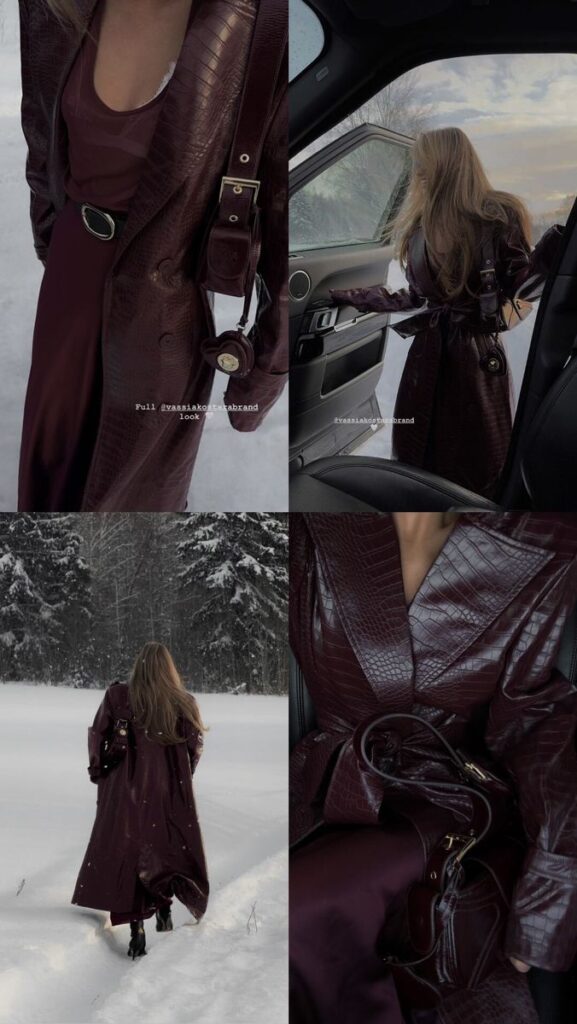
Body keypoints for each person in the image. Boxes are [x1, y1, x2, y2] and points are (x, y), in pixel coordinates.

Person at [289, 511, 577, 1024]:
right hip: (320, 780)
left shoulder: (540, 536)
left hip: (438, 799)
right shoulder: (313, 516)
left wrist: (552, 883)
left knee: (304, 905)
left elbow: (533, 721)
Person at [17, 0, 287, 512]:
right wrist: (53, 241)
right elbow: (41, 136)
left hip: (164, 314)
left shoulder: (263, 23)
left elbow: (282, 213)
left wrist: (265, 369)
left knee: (135, 514)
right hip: (69, 286)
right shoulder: (50, 8)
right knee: (51, 484)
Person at [330, 128, 563, 498]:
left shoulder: (497, 215)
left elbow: (523, 284)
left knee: (476, 468)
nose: (417, 169)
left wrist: (558, 245)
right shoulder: (420, 228)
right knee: (415, 463)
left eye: (423, 161)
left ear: (445, 164)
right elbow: (415, 296)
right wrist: (358, 297)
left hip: (474, 359)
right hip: (425, 357)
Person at [72, 642, 208, 958]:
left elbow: (98, 736)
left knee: (130, 853)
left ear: (139, 666)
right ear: (169, 669)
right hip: (165, 793)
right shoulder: (183, 702)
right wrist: (178, 781)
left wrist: (99, 772)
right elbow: (194, 749)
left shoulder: (118, 696)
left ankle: (137, 929)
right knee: (162, 848)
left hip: (124, 793)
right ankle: (162, 904)